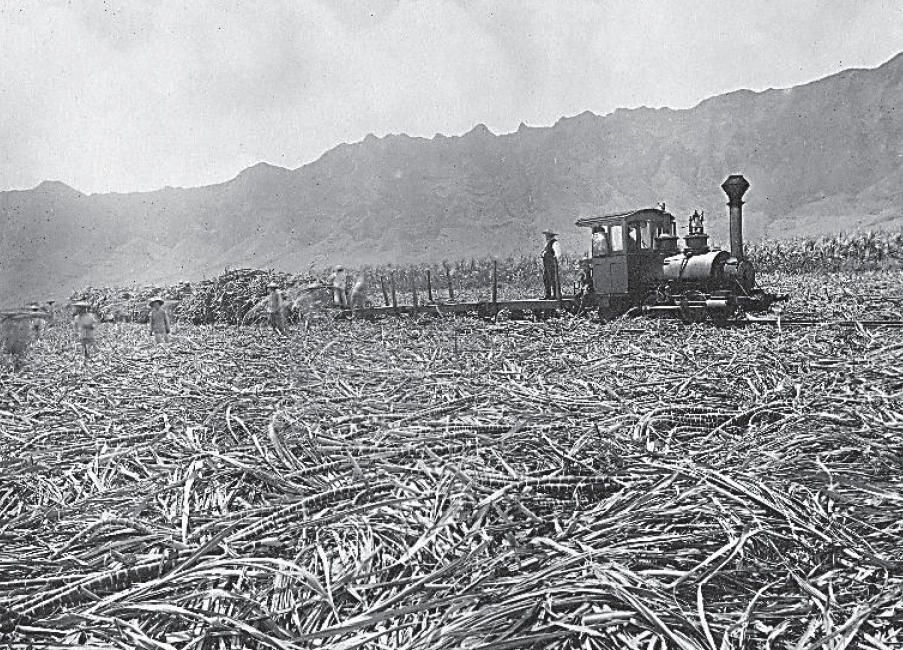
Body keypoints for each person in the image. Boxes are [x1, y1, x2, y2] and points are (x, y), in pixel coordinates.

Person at [540, 230, 562, 300]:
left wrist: (553, 261)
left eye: (547, 235)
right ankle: (548, 295)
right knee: (546, 279)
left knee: (553, 279)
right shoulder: (547, 243)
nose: (546, 237)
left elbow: (557, 254)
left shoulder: (554, 243)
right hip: (546, 265)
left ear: (550, 235)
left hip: (552, 264)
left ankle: (556, 295)